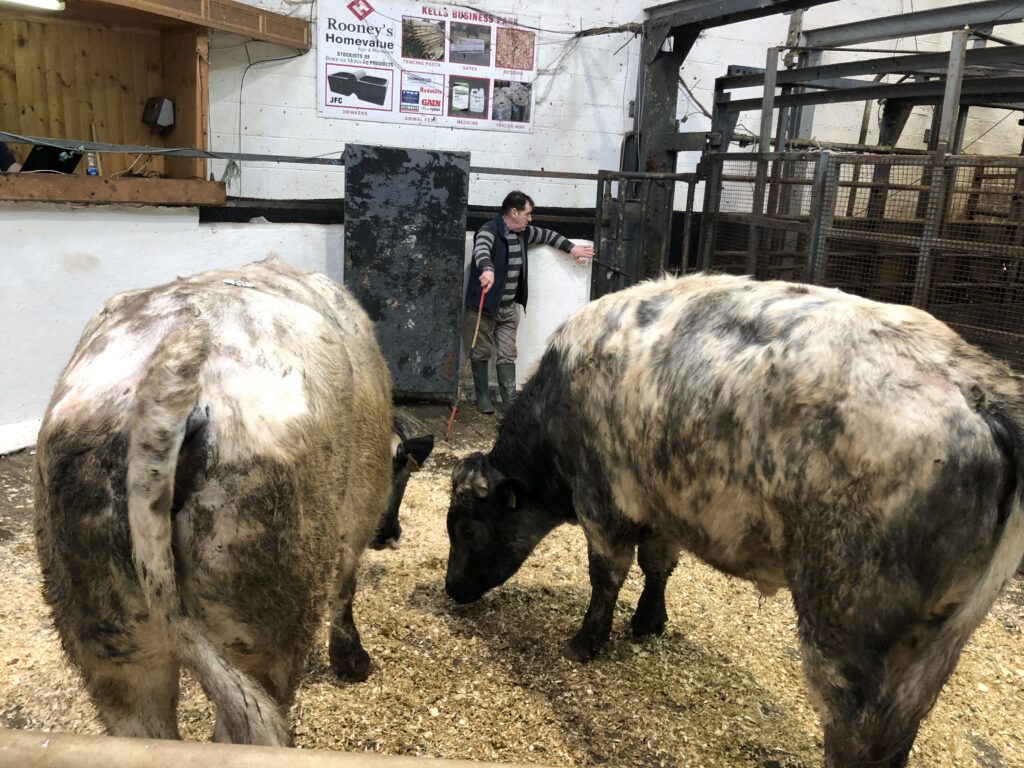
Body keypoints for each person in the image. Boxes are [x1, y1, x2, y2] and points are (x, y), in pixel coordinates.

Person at [465, 190, 594, 414]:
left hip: (508, 308)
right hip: (483, 308)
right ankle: (483, 397)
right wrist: (487, 268)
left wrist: (571, 248)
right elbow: (481, 250)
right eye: (527, 214)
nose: (530, 219)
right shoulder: (488, 230)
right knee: (481, 351)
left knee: (508, 353)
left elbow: (548, 235)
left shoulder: (524, 233)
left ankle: (509, 402)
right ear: (514, 212)